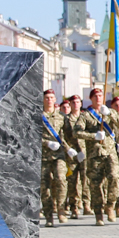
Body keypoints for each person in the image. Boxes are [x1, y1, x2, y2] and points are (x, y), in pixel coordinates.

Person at [81, 88, 119, 224]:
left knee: (115, 179)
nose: (98, 98)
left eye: (100, 96)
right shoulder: (85, 115)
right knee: (96, 185)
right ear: (91, 98)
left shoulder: (110, 112)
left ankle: (110, 206)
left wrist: (109, 113)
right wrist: (93, 136)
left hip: (110, 152)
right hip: (95, 154)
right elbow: (77, 132)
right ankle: (98, 213)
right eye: (96, 96)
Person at [39, 89, 70, 227]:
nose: (49, 100)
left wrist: (70, 149)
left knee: (61, 179)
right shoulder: (37, 116)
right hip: (43, 155)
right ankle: (48, 215)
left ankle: (61, 209)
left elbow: (67, 136)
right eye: (46, 98)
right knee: (44, 186)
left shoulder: (62, 117)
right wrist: (46, 143)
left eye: (51, 97)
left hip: (59, 155)